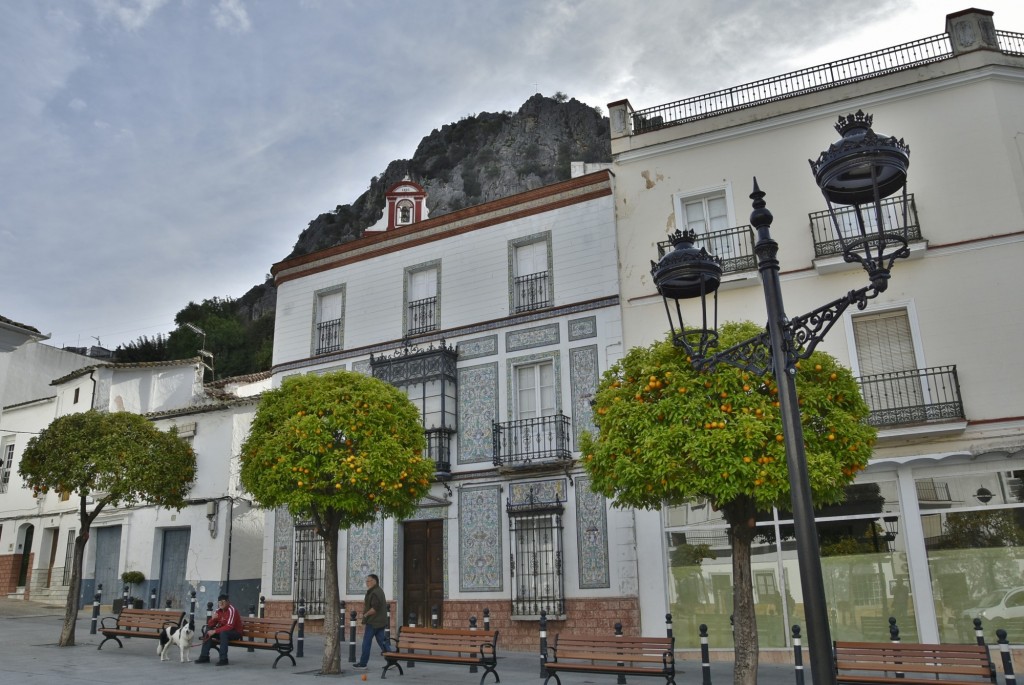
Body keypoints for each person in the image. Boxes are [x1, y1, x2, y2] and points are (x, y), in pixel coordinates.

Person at [353, 573, 390, 670]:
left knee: (366, 642)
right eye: (366, 581)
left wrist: (365, 615)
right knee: (382, 642)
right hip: (380, 621)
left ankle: (363, 663)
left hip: (373, 622)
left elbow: (375, 608)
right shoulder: (378, 590)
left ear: (374, 581)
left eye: (368, 581)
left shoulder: (374, 592)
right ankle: (392, 661)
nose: (367, 583)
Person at [195, 593, 243, 666]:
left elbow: (229, 626)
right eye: (219, 602)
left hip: (235, 632)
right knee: (208, 630)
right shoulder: (218, 610)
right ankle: (204, 656)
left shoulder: (232, 610)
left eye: (223, 602)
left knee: (224, 633)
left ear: (227, 602)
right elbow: (210, 624)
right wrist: (213, 619)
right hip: (223, 632)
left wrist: (215, 631)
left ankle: (223, 659)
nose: (221, 604)